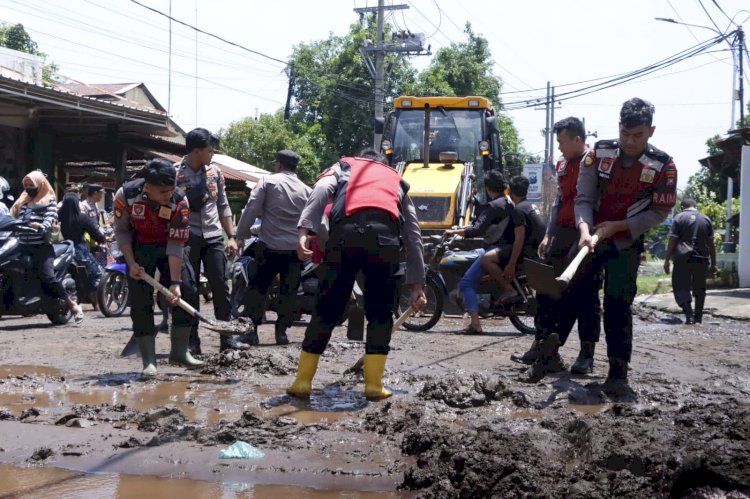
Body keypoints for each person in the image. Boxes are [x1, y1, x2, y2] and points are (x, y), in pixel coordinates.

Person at [287, 148, 427, 401]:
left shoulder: (343, 166)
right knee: (380, 313)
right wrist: (417, 284)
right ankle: (373, 385)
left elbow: (319, 192)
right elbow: (413, 234)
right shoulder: (396, 178)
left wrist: (304, 231)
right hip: (384, 242)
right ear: (383, 164)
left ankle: (302, 381)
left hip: (344, 238)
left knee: (326, 310)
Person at [575, 97, 677, 396]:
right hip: (591, 236)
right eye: (625, 134)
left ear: (651, 131)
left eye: (638, 135)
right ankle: (585, 352)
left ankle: (618, 371)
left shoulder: (663, 166)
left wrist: (617, 227)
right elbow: (583, 198)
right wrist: (584, 229)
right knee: (582, 292)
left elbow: (659, 212)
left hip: (626, 241)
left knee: (618, 303)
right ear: (618, 128)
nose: (630, 141)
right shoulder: (599, 153)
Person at [512, 117, 603, 377]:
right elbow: (558, 202)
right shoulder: (563, 165)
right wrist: (548, 234)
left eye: (562, 142)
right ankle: (542, 346)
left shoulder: (596, 161)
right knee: (545, 290)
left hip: (586, 235)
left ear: (577, 139)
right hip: (562, 234)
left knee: (585, 296)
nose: (559, 147)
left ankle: (586, 355)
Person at [112, 158, 203, 377]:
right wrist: (131, 263)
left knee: (188, 290)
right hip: (139, 246)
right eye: (162, 191)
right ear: (147, 186)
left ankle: (180, 351)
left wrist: (174, 283)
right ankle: (149, 362)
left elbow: (176, 243)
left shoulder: (180, 202)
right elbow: (122, 231)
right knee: (140, 300)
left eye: (171, 190)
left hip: (168, 246)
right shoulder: (125, 196)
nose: (167, 196)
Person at [234, 149, 311, 346]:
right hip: (294, 251)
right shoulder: (306, 190)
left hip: (268, 247)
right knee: (289, 291)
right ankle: (282, 332)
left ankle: (252, 332)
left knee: (258, 289)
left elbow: (252, 208)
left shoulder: (268, 182)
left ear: (278, 165)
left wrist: (240, 235)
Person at [175, 128, 242, 353]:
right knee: (189, 289)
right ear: (196, 151)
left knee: (222, 287)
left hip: (213, 235)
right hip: (188, 237)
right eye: (209, 149)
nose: (212, 153)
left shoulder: (216, 173)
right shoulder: (175, 174)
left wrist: (231, 237)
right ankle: (192, 342)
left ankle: (227, 338)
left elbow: (223, 205)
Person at [442, 169, 513, 335]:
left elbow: (477, 230)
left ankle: (475, 324)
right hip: (503, 247)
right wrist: (460, 228)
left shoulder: (493, 206)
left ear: (488, 188)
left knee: (467, 282)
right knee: (474, 253)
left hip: (495, 248)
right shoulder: (507, 202)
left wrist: (455, 232)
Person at [10, 170, 84, 324]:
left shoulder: (48, 200)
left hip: (41, 247)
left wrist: (41, 225)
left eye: (32, 185)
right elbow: (11, 217)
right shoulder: (23, 201)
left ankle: (72, 305)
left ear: (40, 185)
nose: (29, 188)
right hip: (22, 245)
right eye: (26, 185)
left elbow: (50, 219)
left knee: (48, 277)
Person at [482, 175, 546, 310]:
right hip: (537, 250)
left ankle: (508, 289)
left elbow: (519, 238)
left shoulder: (518, 210)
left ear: (509, 191)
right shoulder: (531, 205)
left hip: (527, 252)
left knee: (487, 259)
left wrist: (511, 264)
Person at [663, 198, 717, 324]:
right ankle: (698, 318)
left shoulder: (679, 218)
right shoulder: (706, 219)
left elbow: (672, 240)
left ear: (682, 207)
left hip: (683, 258)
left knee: (680, 285)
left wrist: (667, 260)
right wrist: (714, 264)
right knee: (700, 287)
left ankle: (689, 315)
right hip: (701, 258)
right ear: (695, 206)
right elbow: (712, 244)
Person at [59, 191, 105, 294]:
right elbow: (95, 233)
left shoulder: (58, 217)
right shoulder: (81, 217)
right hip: (80, 251)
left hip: (62, 250)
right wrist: (102, 239)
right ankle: (95, 296)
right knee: (98, 273)